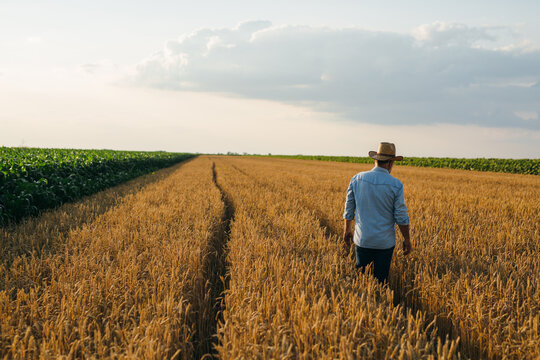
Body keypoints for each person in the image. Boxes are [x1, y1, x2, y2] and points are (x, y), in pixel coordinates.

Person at [342, 142, 411, 284]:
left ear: (375, 159)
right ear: (390, 163)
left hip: (362, 240)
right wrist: (407, 239)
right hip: (384, 244)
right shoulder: (396, 185)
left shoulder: (357, 178)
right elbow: (401, 217)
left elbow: (349, 207)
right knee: (381, 283)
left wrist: (347, 228)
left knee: (361, 283)